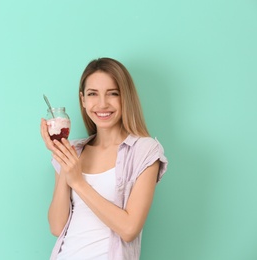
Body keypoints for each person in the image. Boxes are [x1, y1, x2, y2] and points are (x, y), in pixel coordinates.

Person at [40, 57, 168, 260]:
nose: (102, 104)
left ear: (125, 97)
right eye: (92, 94)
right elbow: (56, 226)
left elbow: (129, 228)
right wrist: (63, 156)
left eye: (113, 94)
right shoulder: (74, 151)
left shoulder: (145, 151)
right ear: (83, 100)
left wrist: (78, 183)